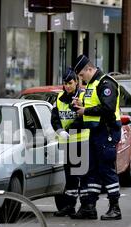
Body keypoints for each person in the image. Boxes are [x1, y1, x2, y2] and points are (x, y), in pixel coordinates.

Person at [71, 54, 122, 221]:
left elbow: (107, 108)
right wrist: (81, 106)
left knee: (106, 169)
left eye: (81, 75)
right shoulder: (92, 84)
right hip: (95, 132)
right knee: (92, 169)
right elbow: (94, 106)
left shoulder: (106, 83)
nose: (81, 79)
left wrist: (85, 111)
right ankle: (89, 207)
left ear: (89, 69)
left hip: (106, 131)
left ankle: (115, 207)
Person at [51, 67, 89, 217]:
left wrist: (71, 129)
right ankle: (70, 206)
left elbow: (84, 117)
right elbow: (54, 117)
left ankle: (86, 206)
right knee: (70, 177)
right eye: (65, 83)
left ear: (76, 82)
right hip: (66, 142)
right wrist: (60, 130)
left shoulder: (83, 96)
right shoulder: (60, 97)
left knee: (82, 175)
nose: (67, 86)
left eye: (70, 83)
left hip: (81, 141)